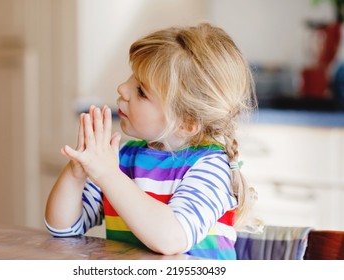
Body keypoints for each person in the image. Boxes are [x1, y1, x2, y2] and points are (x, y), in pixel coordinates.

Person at [44, 22, 261, 260]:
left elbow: (171, 239)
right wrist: (76, 175)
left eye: (141, 91)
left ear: (186, 123)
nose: (122, 88)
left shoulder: (212, 168)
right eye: (131, 77)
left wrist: (108, 175)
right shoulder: (122, 158)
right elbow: (64, 228)